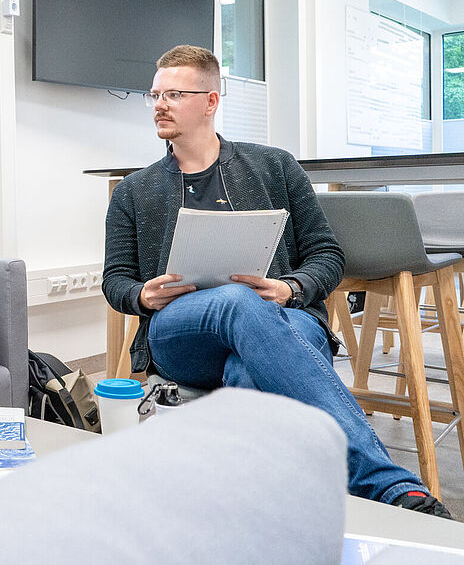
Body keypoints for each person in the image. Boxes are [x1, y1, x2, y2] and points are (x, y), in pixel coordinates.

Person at [101, 44, 450, 517]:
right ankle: (387, 484)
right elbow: (115, 281)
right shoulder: (133, 191)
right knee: (235, 300)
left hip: (281, 316)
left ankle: (262, 511)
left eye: (175, 94)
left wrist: (291, 288)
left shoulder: (275, 167)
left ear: (211, 101)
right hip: (179, 332)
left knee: (248, 368)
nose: (160, 105)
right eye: (155, 95)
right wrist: (142, 294)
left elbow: (327, 255)